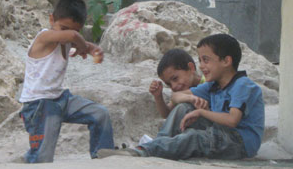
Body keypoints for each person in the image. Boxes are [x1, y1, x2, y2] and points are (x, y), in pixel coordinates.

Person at [98, 34, 264, 160]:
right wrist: (190, 101)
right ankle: (157, 144)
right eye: (200, 60)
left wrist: (201, 113)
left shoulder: (243, 85)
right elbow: (177, 97)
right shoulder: (212, 86)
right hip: (220, 132)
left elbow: (232, 120)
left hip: (240, 142)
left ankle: (143, 151)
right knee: (184, 108)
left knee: (194, 138)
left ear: (226, 61)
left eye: (206, 60)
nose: (202, 66)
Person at [19, 0, 115, 163]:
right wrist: (83, 45)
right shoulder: (44, 37)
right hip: (39, 106)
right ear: (51, 19)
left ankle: (103, 157)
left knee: (100, 114)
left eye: (75, 30)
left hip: (60, 99)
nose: (67, 33)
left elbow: (75, 40)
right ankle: (30, 164)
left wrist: (94, 50)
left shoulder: (67, 40)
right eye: (62, 27)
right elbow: (71, 36)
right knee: (42, 157)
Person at [149, 48, 204, 118]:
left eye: (175, 78)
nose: (173, 86)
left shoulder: (207, 84)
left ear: (190, 68)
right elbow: (167, 114)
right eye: (169, 84)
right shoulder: (179, 93)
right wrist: (158, 97)